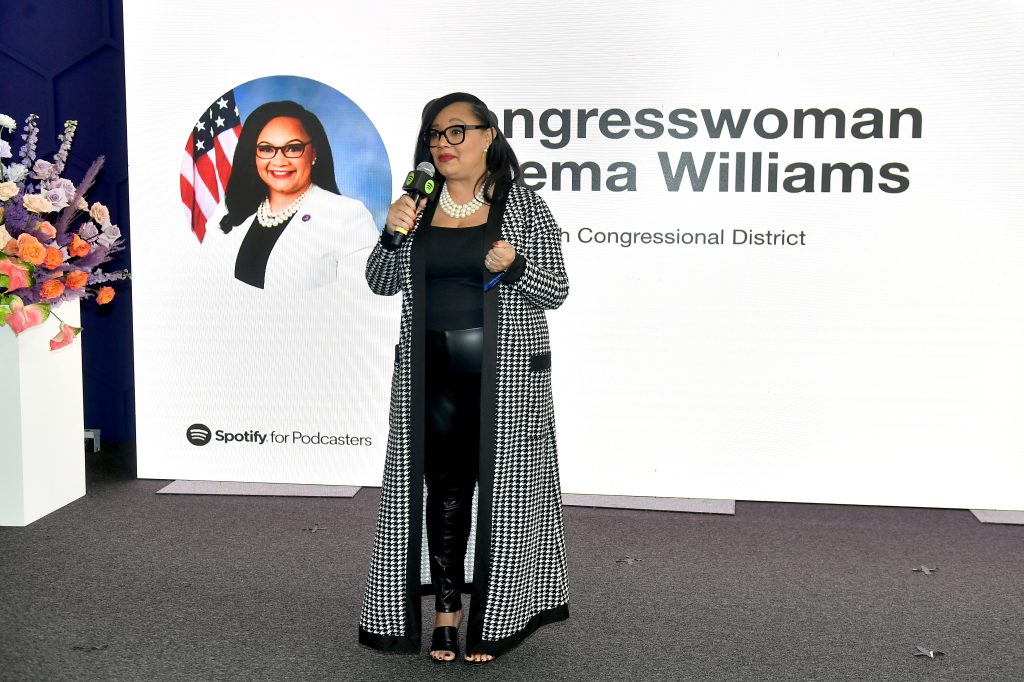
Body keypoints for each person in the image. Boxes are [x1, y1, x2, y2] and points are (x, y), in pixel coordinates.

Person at [358, 92, 570, 664]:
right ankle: (446, 617)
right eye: (435, 135)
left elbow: (557, 290)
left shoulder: (523, 206)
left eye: (456, 132)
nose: (444, 144)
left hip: (506, 378)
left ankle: (496, 617)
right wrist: (391, 232)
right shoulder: (416, 207)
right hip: (429, 375)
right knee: (443, 494)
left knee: (505, 501)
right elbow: (380, 281)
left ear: (488, 136)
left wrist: (517, 266)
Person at [214, 100, 377, 291]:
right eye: (266, 149)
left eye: (293, 148)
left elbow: (362, 300)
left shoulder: (347, 215)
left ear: (314, 153)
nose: (279, 161)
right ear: (254, 155)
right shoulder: (238, 218)